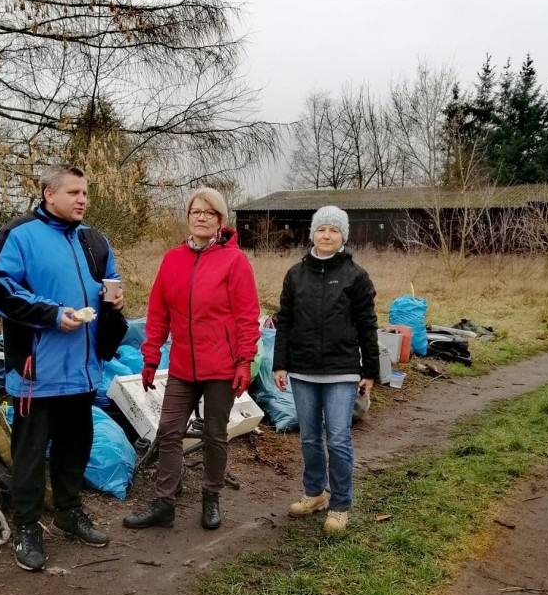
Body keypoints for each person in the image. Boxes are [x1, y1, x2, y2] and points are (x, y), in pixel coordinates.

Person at [0, 164, 124, 571]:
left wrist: (113, 298)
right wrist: (51, 314)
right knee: (29, 453)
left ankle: (69, 511)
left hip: (82, 368)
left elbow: (109, 280)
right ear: (49, 194)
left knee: (75, 446)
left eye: (86, 193)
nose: (83, 200)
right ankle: (27, 526)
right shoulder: (18, 235)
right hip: (35, 371)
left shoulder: (94, 240)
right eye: (74, 192)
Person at [123, 187, 260, 532]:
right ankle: (164, 503)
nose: (201, 217)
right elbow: (157, 313)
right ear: (188, 217)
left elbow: (247, 316)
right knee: (169, 431)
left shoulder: (234, 261)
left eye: (209, 213)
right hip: (183, 365)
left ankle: (211, 498)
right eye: (195, 211)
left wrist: (244, 361)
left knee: (215, 434)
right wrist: (151, 356)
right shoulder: (173, 259)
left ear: (220, 221)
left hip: (220, 367)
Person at [272, 205, 379, 535]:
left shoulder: (356, 277)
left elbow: (367, 325)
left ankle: (341, 505)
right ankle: (315, 493)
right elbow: (285, 321)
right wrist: (280, 363)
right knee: (308, 438)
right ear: (312, 234)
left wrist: (370, 371)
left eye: (334, 230)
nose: (327, 235)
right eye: (322, 229)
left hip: (342, 371)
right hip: (302, 370)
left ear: (343, 236)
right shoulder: (295, 275)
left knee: (337, 438)